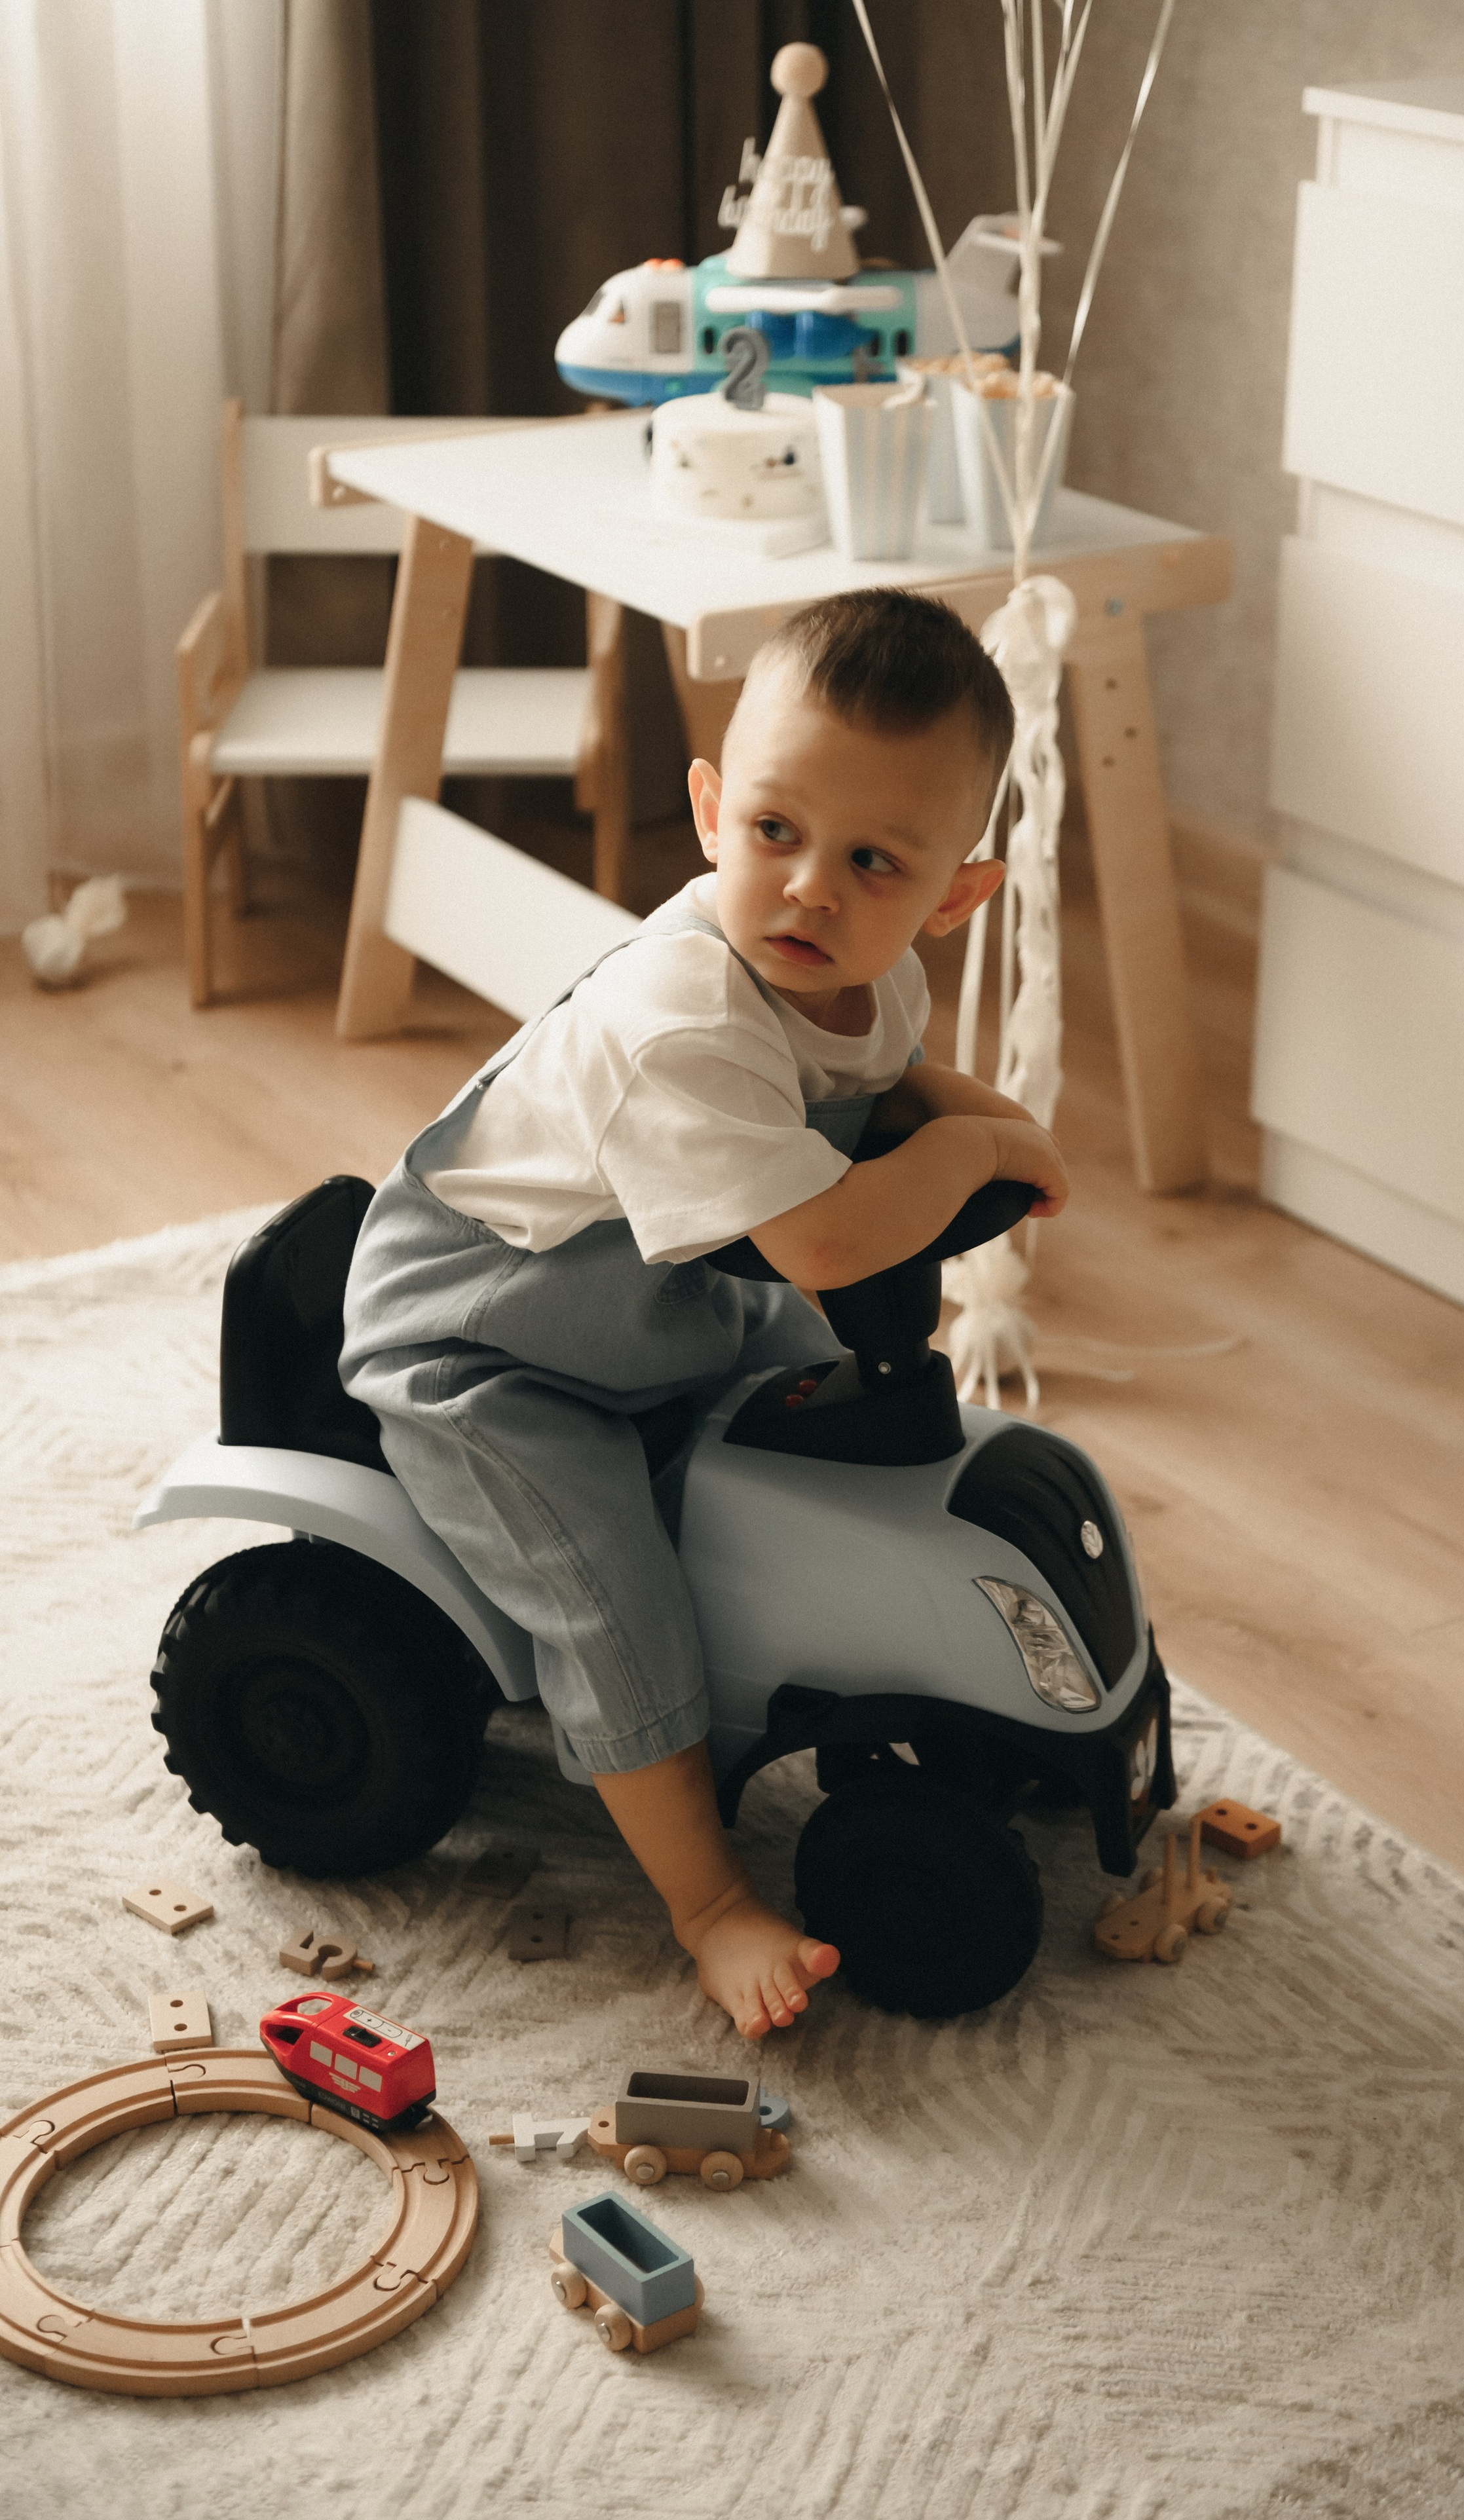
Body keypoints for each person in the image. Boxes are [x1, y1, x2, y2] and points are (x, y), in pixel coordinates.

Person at [340, 587, 1069, 2038]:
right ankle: (706, 1899)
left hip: (662, 1292)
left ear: (949, 898)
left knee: (846, 1418)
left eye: (871, 861)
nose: (809, 889)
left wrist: (983, 1116)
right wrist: (981, 1151)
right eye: (776, 833)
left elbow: (877, 1086)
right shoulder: (678, 1019)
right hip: (490, 1342)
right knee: (615, 1591)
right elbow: (822, 1233)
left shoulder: (872, 975)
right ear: (709, 807)